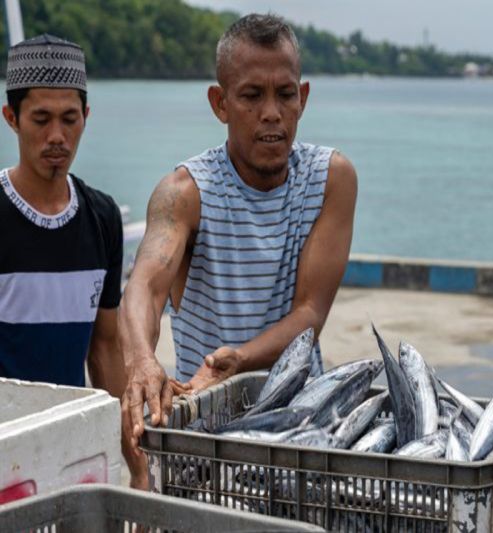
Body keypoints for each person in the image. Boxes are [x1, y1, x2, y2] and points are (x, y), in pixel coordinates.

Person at [119, 13, 357, 487]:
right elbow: (144, 287)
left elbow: (310, 311)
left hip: (303, 430)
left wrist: (240, 360)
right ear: (219, 102)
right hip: (204, 432)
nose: (271, 112)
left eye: (285, 94)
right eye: (251, 96)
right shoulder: (186, 192)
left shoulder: (331, 178)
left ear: (303, 98)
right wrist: (143, 360)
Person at [1, 34, 134, 468]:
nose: (57, 136)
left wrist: (129, 455)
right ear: (11, 117)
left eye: (69, 119)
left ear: (86, 117)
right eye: (41, 119)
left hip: (73, 449)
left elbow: (105, 347)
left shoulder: (102, 217)